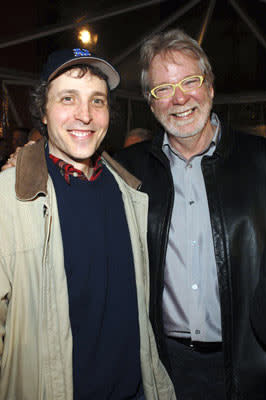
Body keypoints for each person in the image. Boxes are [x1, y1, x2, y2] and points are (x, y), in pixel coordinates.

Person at [0, 48, 175, 400]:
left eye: (97, 101)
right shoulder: (9, 199)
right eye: (68, 98)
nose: (85, 115)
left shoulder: (130, 191)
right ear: (43, 112)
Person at [115, 29, 266, 400]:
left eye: (190, 81)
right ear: (151, 104)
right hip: (164, 367)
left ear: (211, 87)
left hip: (251, 366)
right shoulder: (127, 173)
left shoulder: (261, 161)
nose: (179, 98)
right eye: (162, 89)